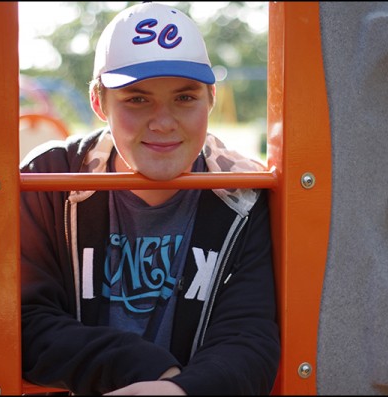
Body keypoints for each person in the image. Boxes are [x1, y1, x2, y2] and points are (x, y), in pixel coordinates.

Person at [19, 2, 280, 395]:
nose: (162, 122)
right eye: (137, 100)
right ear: (98, 102)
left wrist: (180, 391)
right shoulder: (48, 177)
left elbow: (249, 335)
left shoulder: (244, 193)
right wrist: (146, 370)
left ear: (210, 98)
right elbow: (22, 319)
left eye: (185, 98)